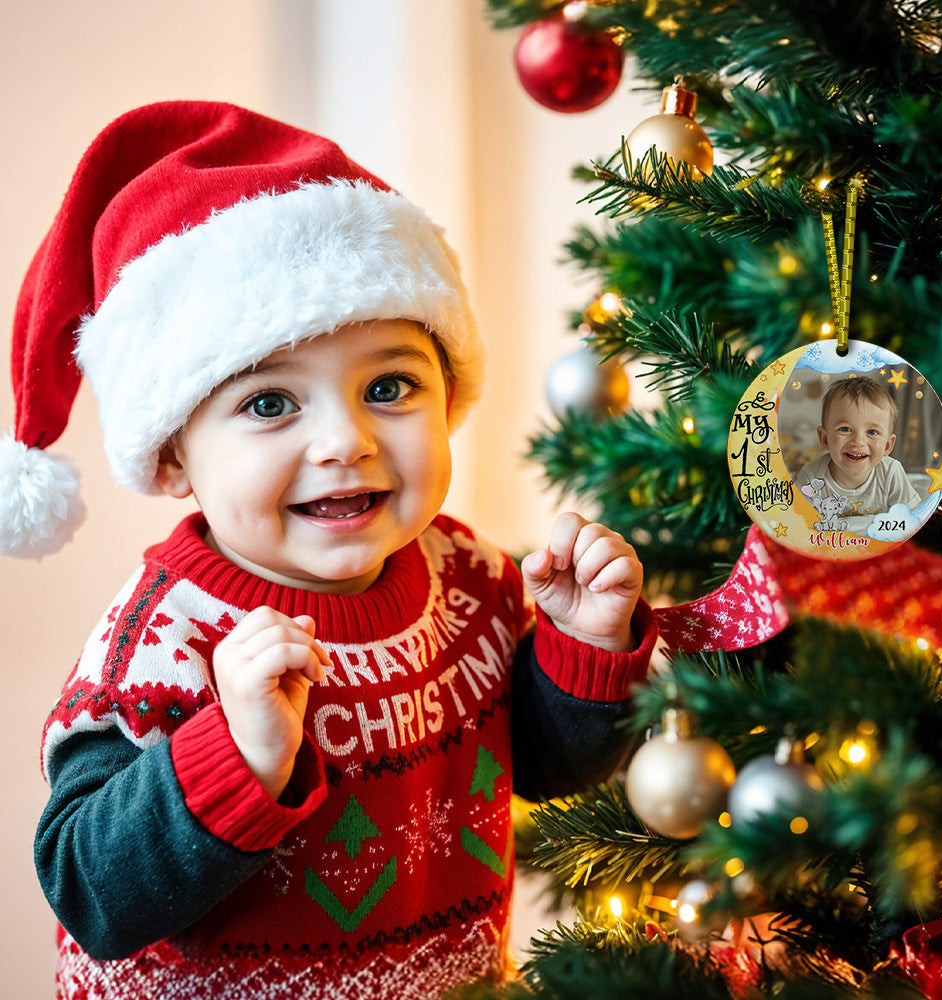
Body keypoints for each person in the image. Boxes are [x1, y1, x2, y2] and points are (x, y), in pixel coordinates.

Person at [0, 103, 657, 999]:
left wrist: (580, 651)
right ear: (171, 458)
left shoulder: (471, 576)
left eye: (389, 386)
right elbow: (89, 892)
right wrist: (235, 756)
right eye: (270, 404)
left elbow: (543, 766)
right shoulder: (160, 641)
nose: (345, 440)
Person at [794, 375, 923, 531]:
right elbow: (799, 526)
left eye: (872, 432)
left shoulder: (891, 472)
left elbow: (913, 520)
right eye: (845, 429)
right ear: (825, 438)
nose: (858, 441)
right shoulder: (812, 477)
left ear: (887, 446)